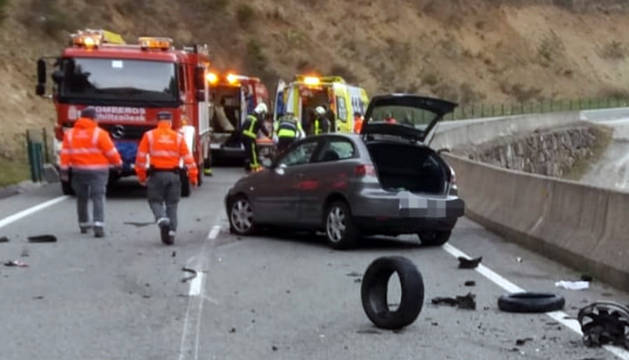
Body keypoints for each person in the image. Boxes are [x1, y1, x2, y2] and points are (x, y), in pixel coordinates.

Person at [135, 112, 198, 245]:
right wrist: (193, 177)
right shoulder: (178, 137)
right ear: (170, 122)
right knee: (172, 205)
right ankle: (171, 234)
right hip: (174, 175)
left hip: (156, 175)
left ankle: (162, 220)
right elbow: (189, 159)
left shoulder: (149, 136)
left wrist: (141, 176)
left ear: (158, 122)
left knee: (155, 201)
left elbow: (140, 158)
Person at [59, 107, 122, 237]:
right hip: (98, 171)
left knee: (82, 197)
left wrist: (64, 171)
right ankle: (98, 225)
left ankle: (83, 224)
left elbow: (65, 154)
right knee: (98, 197)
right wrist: (118, 163)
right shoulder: (100, 133)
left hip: (79, 171)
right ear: (93, 118)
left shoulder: (70, 134)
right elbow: (110, 151)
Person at [240, 102, 270, 172]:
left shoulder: (249, 116)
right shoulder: (258, 118)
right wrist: (269, 135)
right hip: (249, 137)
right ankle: (255, 168)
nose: (263, 115)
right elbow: (263, 129)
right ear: (261, 111)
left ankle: (248, 167)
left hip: (243, 136)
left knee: (249, 152)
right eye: (263, 113)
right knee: (253, 152)